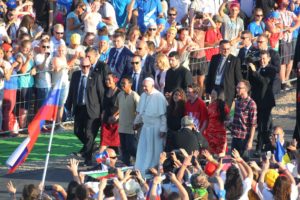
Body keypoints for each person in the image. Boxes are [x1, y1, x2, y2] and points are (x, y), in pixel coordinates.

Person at [65, 57, 105, 166]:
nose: (85, 68)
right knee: (77, 131)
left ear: (90, 66)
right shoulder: (76, 75)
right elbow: (72, 91)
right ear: (80, 66)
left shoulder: (96, 77)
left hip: (92, 110)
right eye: (83, 66)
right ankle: (92, 145)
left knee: (89, 134)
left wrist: (103, 110)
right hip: (79, 107)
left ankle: (88, 158)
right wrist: (68, 106)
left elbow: (101, 94)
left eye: (88, 66)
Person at [133, 77, 168, 174]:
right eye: (143, 86)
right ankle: (141, 167)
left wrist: (163, 129)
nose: (144, 88)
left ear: (152, 86)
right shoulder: (143, 95)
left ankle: (153, 168)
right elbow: (140, 112)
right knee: (143, 148)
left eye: (146, 86)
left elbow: (163, 115)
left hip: (156, 127)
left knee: (155, 150)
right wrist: (136, 123)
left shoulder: (159, 96)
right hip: (145, 127)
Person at [248, 50, 276, 154]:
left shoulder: (271, 69)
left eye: (264, 58)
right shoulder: (257, 68)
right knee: (259, 124)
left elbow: (265, 82)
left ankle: (259, 148)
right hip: (255, 100)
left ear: (268, 59)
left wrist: (255, 72)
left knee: (263, 125)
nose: (262, 61)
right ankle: (267, 144)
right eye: (260, 58)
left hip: (265, 101)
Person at [206, 40, 243, 107]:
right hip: (214, 88)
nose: (226, 51)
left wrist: (239, 92)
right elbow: (210, 74)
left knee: (224, 112)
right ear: (219, 48)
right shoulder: (214, 58)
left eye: (228, 49)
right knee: (214, 109)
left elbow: (238, 77)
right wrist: (208, 90)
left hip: (226, 90)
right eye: (224, 49)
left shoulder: (235, 60)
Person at [115, 76, 140, 166]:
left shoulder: (135, 95)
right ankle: (126, 166)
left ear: (130, 84)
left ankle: (140, 163)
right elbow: (118, 108)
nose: (122, 85)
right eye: (121, 83)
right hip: (122, 127)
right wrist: (114, 117)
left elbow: (140, 111)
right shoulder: (119, 95)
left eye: (124, 83)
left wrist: (137, 123)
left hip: (131, 128)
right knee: (124, 149)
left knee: (132, 148)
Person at [230, 80, 257, 159]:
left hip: (244, 138)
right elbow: (235, 117)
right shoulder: (237, 101)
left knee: (244, 161)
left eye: (239, 88)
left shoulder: (251, 104)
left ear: (245, 90)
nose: (237, 89)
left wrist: (250, 141)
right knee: (233, 161)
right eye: (237, 87)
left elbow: (253, 125)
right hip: (235, 136)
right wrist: (229, 122)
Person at [99, 73, 121, 152]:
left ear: (114, 80)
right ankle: (100, 163)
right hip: (106, 122)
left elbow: (122, 107)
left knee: (118, 145)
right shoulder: (105, 92)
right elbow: (104, 106)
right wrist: (102, 114)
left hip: (116, 123)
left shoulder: (119, 93)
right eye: (106, 80)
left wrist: (116, 116)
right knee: (103, 144)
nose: (107, 81)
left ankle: (124, 163)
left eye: (109, 79)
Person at [205, 89, 230, 157]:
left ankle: (221, 166)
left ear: (218, 95)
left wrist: (227, 122)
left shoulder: (222, 105)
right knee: (210, 154)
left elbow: (228, 117)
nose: (212, 95)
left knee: (220, 155)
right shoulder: (210, 105)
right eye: (211, 93)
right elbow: (207, 119)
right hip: (210, 132)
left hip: (220, 133)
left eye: (214, 94)